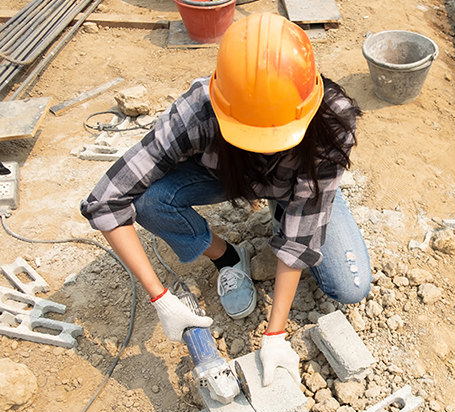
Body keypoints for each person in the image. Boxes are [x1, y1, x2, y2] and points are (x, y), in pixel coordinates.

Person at [79, 12, 372, 387]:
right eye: (251, 136)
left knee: (350, 287)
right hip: (226, 179)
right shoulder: (196, 110)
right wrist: (162, 299)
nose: (264, 147)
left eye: (277, 138)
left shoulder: (332, 123)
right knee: (150, 199)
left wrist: (274, 335)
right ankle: (227, 256)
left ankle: (286, 206)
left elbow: (300, 243)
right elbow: (106, 200)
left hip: (303, 186)